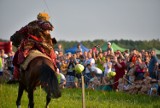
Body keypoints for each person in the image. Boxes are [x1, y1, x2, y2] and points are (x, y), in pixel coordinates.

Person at [10, 12, 57, 80]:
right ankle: (54, 71)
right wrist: (50, 27)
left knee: (19, 56)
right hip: (42, 45)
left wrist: (13, 37)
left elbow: (20, 32)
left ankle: (15, 76)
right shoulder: (43, 23)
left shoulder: (30, 24)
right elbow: (47, 26)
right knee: (52, 56)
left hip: (30, 45)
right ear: (45, 19)